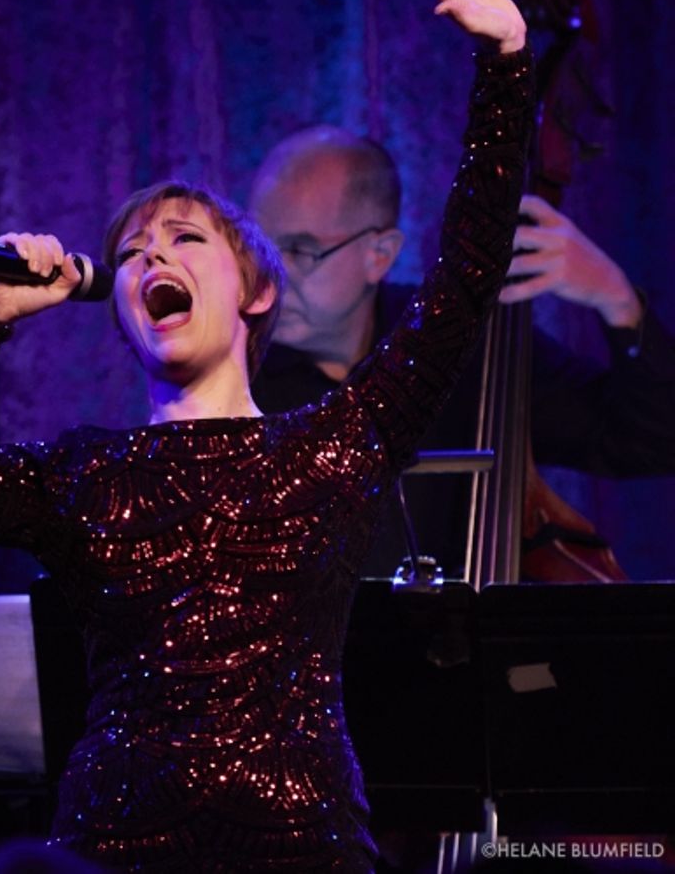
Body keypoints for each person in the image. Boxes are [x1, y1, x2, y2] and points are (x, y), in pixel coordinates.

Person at [0, 0, 531, 872]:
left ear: (256, 291)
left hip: (303, 846)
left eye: (183, 239)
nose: (150, 259)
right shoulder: (83, 475)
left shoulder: (334, 444)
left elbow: (462, 290)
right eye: (132, 252)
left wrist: (505, 72)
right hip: (111, 848)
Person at [248, 124, 675, 581]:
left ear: (381, 254)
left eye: (300, 250)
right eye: (257, 246)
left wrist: (618, 300)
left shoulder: (461, 342)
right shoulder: (231, 371)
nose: (271, 275)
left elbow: (652, 441)